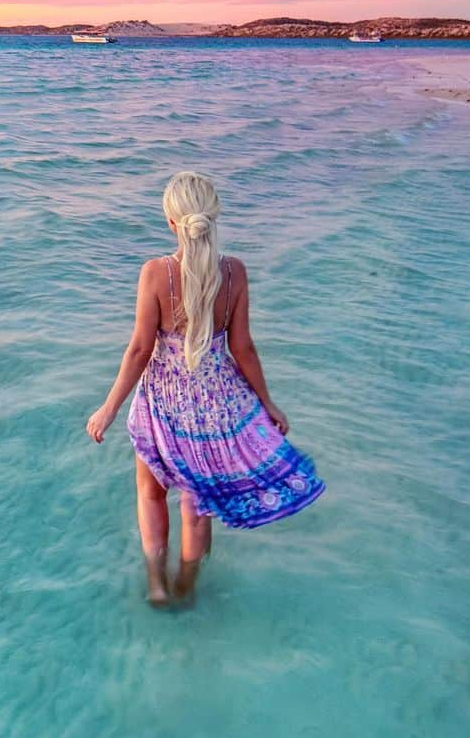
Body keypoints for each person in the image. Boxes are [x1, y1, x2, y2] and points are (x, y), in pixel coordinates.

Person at [86, 171, 325, 607]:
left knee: (150, 492)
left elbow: (140, 350)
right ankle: (188, 587)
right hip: (217, 407)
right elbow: (243, 348)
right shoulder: (233, 273)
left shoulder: (156, 273)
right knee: (196, 507)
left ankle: (157, 584)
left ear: (172, 222)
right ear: (213, 218)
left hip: (164, 402)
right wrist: (268, 403)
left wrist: (108, 407)